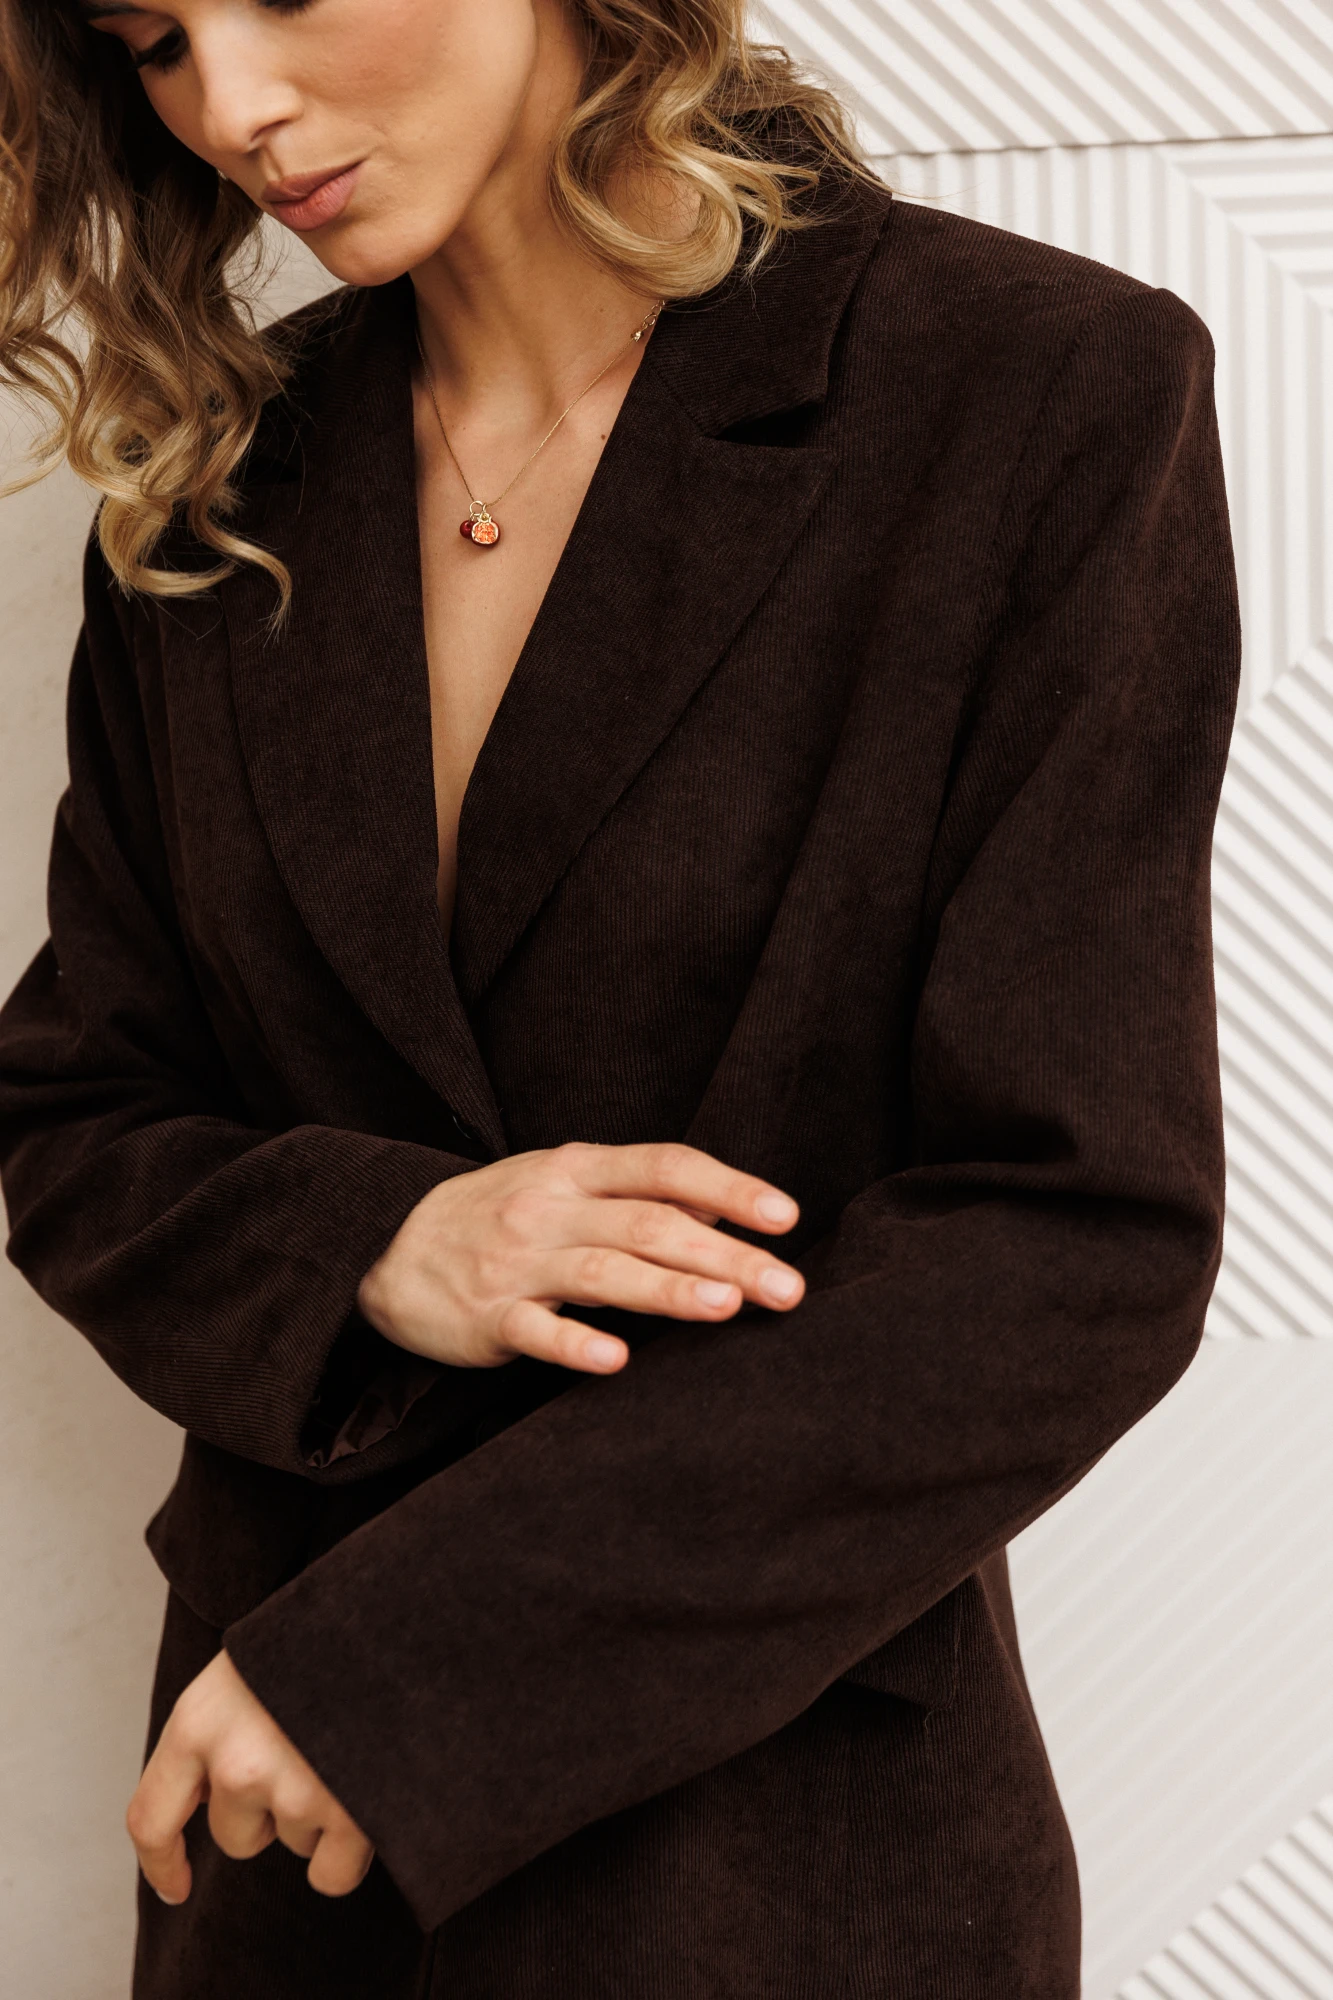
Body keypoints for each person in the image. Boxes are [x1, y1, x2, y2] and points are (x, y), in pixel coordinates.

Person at [0, 0, 1241, 1993]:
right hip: (278, 1863)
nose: (229, 107)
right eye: (149, 40)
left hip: (773, 1855)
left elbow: (1073, 1233)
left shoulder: (1033, 392)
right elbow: (78, 1118)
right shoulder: (209, 491)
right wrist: (380, 1243)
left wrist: (409, 1671)